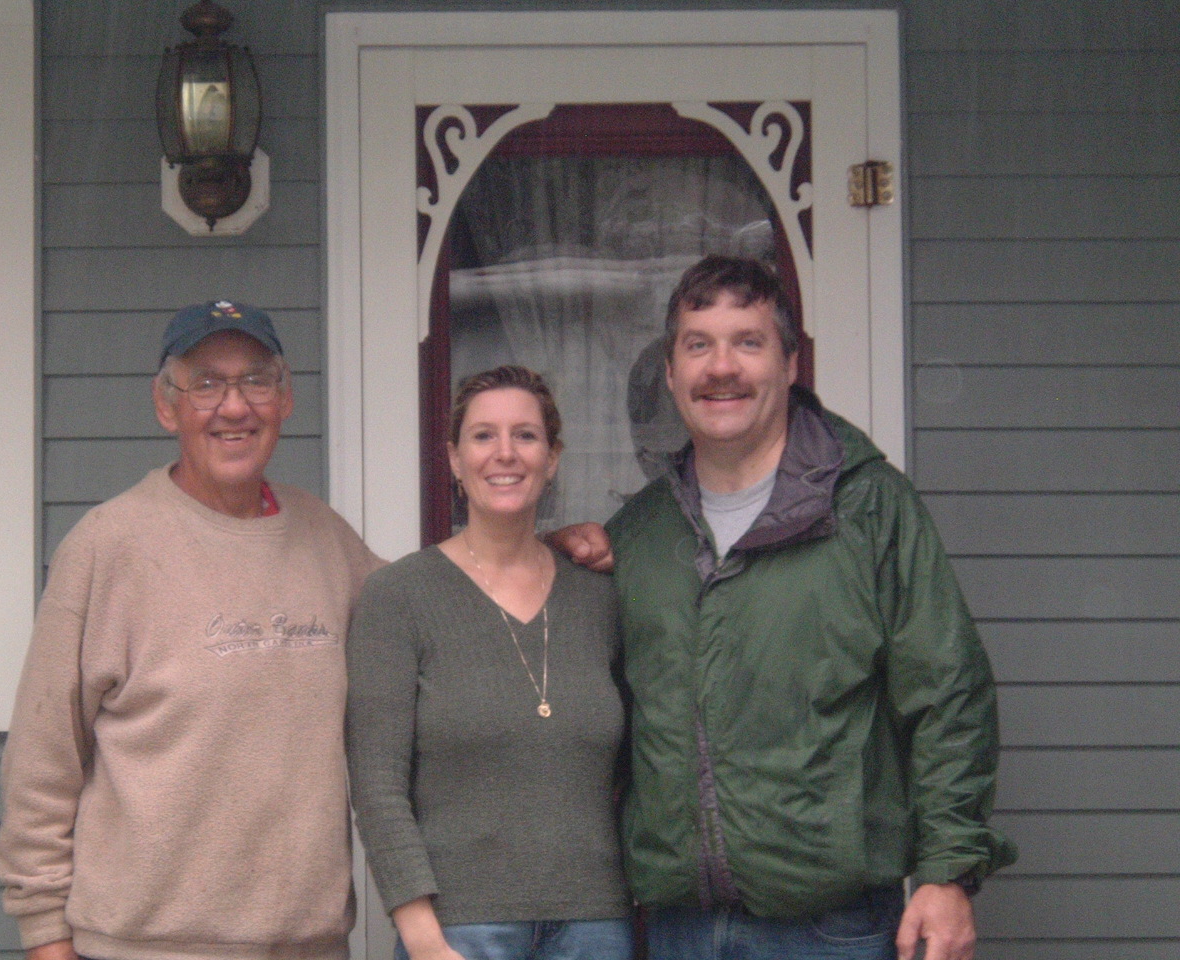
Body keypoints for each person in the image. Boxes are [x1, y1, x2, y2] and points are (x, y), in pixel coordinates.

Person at [602, 256, 1017, 960]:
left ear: (791, 364)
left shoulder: (868, 507)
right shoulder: (639, 534)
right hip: (679, 926)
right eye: (698, 345)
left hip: (832, 928)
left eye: (748, 342)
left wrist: (948, 872)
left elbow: (947, 692)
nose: (721, 367)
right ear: (671, 373)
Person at [0, 300, 384, 960]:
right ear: (166, 405)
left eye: (256, 380)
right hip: (142, 945)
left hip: (307, 945)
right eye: (205, 384)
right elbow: (42, 758)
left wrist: (542, 549)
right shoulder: (106, 546)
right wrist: (44, 933)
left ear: (285, 399)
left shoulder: (327, 539)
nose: (234, 407)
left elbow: (434, 608)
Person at [345, 365, 633, 960]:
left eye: (526, 435)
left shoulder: (600, 595)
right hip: (459, 931)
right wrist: (424, 938)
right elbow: (377, 786)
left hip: (595, 927)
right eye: (483, 436)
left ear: (552, 458)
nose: (505, 453)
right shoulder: (399, 596)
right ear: (455, 459)